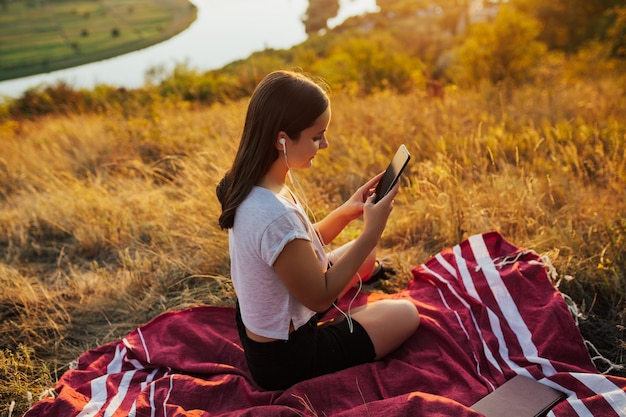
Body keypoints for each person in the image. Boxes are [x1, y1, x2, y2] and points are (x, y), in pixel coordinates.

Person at [216, 70, 420, 390]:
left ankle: (349, 320)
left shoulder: (255, 184)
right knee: (407, 314)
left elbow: (297, 246)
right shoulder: (273, 214)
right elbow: (321, 299)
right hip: (287, 359)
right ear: (282, 139)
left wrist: (348, 211)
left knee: (367, 260)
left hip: (264, 330)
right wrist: (371, 232)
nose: (324, 144)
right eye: (316, 136)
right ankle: (340, 330)